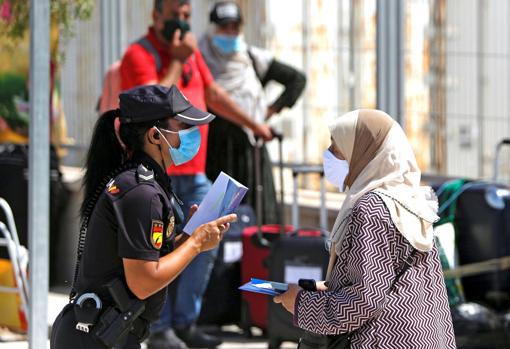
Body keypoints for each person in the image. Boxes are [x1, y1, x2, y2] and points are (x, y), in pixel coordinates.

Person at [120, 1, 274, 348]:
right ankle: (157, 328)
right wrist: (175, 58)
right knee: (157, 252)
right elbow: (154, 104)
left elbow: (214, 95)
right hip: (156, 174)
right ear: (157, 16)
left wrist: (254, 125)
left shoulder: (192, 54)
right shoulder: (140, 54)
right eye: (176, 14)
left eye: (188, 16)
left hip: (195, 172)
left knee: (208, 240)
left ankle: (186, 322)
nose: (183, 22)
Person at [50, 84, 237, 349]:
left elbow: (148, 258)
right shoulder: (140, 192)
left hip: (106, 334)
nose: (193, 134)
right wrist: (196, 244)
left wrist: (189, 238)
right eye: (183, 126)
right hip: (96, 336)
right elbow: (143, 282)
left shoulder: (145, 185)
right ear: (155, 136)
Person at [274, 109, 456, 348]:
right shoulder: (414, 198)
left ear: (363, 153)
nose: (329, 156)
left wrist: (300, 302)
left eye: (338, 149)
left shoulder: (372, 207)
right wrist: (330, 287)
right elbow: (391, 278)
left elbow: (365, 300)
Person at [200, 1, 306, 223]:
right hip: (217, 151)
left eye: (235, 27)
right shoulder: (200, 60)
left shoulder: (251, 58)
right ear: (211, 28)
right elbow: (214, 98)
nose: (230, 33)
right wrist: (254, 123)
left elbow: (297, 79)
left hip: (251, 151)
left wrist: (267, 112)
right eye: (223, 27)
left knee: (258, 219)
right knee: (217, 221)